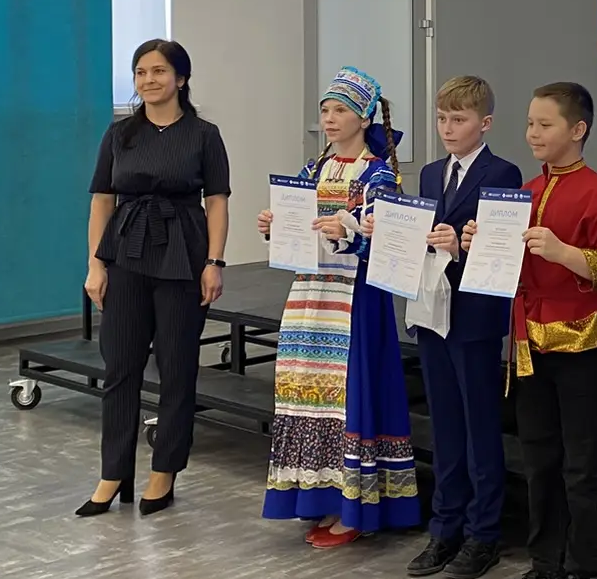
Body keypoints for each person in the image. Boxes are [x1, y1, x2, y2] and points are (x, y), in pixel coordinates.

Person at [463, 81, 597, 579]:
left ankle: (586, 570)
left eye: (545, 124)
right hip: (530, 340)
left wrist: (563, 252)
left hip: (585, 342)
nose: (532, 133)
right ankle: (545, 562)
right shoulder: (524, 192)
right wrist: (478, 243)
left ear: (577, 130)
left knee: (585, 463)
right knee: (540, 458)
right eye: (530, 123)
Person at [257, 66, 419, 545]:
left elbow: (389, 240)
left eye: (340, 110)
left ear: (364, 117)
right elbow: (297, 222)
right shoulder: (314, 169)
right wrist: (275, 225)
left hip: (355, 298)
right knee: (309, 391)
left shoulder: (378, 175)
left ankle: (355, 508)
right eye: (325, 110)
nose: (329, 118)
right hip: (311, 294)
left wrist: (349, 235)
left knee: (349, 394)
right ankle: (322, 496)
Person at [80, 40, 231, 518]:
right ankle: (113, 472)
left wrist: (214, 261)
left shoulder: (204, 135)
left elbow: (217, 202)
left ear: (181, 79)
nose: (148, 80)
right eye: (141, 72)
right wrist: (95, 264)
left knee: (176, 367)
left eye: (159, 71)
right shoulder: (119, 134)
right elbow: (102, 200)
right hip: (126, 253)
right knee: (120, 366)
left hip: (183, 256)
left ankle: (165, 470)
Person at [406, 76, 525, 579]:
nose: (448, 128)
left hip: (474, 315)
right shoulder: (430, 174)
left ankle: (484, 533)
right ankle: (445, 527)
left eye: (459, 119)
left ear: (485, 123)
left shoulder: (504, 172)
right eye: (442, 119)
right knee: (446, 426)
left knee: (479, 428)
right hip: (433, 311)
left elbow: (502, 249)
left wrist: (460, 246)